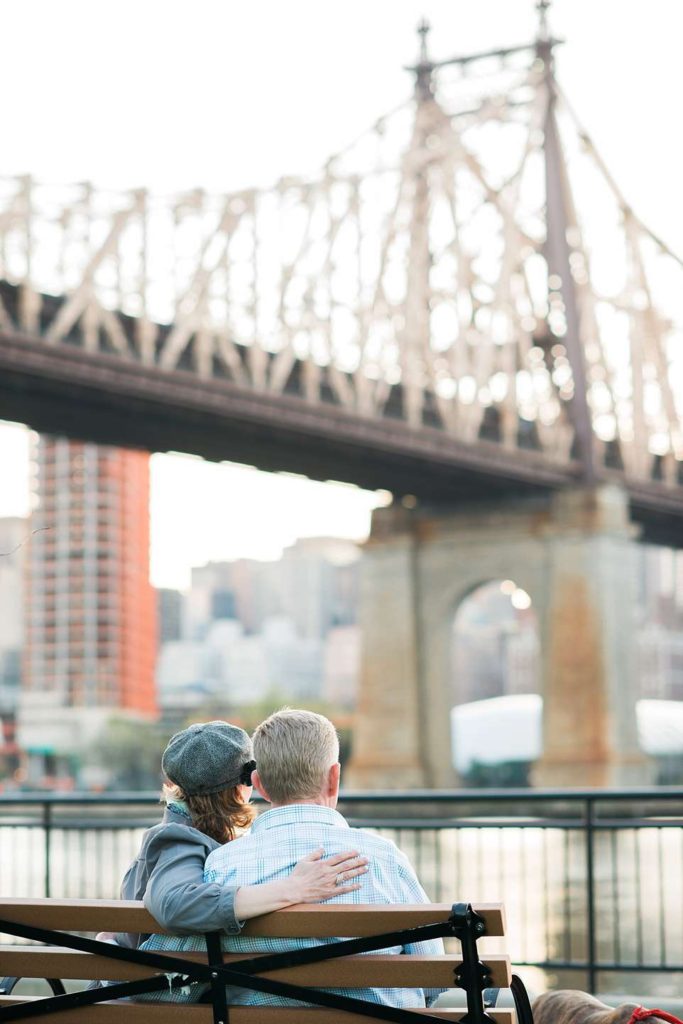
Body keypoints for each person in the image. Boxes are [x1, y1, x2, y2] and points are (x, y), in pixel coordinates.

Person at [142, 709, 444, 1010]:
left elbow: (171, 983)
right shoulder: (384, 858)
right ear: (334, 777)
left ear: (258, 784)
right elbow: (436, 976)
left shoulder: (223, 867)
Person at [112, 720, 368, 950]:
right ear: (238, 788)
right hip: (139, 994)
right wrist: (292, 888)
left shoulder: (194, 832)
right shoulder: (177, 839)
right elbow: (175, 904)